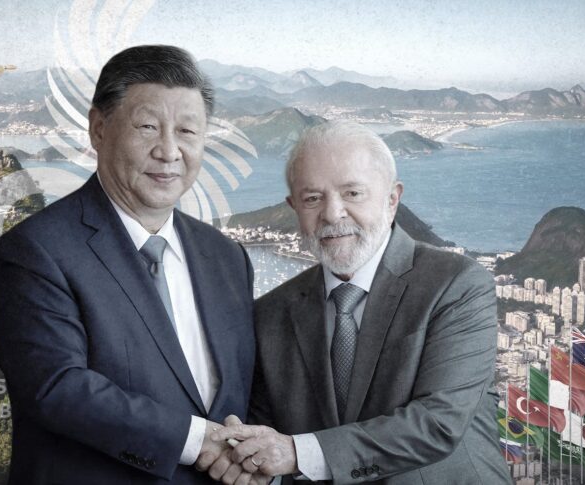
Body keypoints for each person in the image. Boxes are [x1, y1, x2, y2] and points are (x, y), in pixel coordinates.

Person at [0, 45, 259, 484]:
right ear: (98, 129)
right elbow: (58, 388)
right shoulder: (35, 251)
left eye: (187, 131)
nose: (169, 151)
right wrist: (200, 441)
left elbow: (246, 390)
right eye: (148, 127)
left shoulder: (227, 257)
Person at [212, 121, 511, 483]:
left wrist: (298, 454)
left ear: (392, 199)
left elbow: (438, 422)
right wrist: (245, 455)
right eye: (312, 198)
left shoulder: (457, 284)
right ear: (294, 207)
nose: (332, 213)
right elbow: (267, 436)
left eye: (352, 193)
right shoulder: (270, 314)